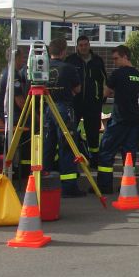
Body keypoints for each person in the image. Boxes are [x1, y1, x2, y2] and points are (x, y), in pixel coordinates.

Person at [95, 45, 139, 195]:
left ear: (125, 56)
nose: (114, 62)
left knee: (106, 151)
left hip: (119, 118)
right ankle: (127, 187)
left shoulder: (117, 74)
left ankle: (104, 186)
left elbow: (106, 92)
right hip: (133, 119)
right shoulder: (138, 75)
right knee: (129, 155)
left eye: (116, 58)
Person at [44, 37, 85, 197]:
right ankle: (68, 187)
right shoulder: (68, 68)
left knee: (47, 147)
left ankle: (45, 182)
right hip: (63, 108)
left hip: (46, 107)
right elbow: (78, 89)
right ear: (63, 52)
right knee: (67, 147)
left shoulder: (42, 67)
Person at [66, 35, 107, 168]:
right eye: (81, 45)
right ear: (77, 47)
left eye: (85, 44)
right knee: (69, 131)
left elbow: (104, 81)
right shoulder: (70, 60)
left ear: (89, 45)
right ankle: (69, 160)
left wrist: (101, 100)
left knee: (93, 134)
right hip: (74, 104)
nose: (83, 47)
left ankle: (94, 160)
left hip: (92, 105)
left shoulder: (97, 61)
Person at [0, 48, 30, 183]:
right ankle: (22, 170)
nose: (23, 60)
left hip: (8, 115)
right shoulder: (14, 75)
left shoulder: (6, 72)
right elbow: (19, 100)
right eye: (22, 57)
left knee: (12, 145)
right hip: (15, 116)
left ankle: (16, 169)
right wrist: (32, 115)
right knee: (23, 142)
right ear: (15, 58)